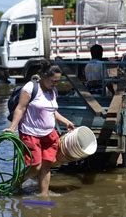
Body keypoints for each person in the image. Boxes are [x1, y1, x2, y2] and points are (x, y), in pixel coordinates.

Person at [4, 61, 74, 196]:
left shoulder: (53, 91)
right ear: (44, 76)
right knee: (36, 166)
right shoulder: (30, 88)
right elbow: (20, 108)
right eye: (53, 81)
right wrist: (12, 128)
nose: (55, 84)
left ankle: (44, 195)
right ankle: (16, 183)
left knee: (47, 166)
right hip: (30, 133)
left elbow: (52, 111)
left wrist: (66, 121)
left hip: (49, 134)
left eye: (58, 81)